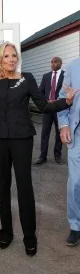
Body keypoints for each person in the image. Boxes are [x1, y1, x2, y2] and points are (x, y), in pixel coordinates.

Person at [0, 42, 74, 256]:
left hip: (22, 140)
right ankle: (5, 233)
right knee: (3, 188)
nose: (11, 59)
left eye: (14, 55)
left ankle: (29, 237)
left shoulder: (27, 79)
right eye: (6, 56)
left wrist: (66, 102)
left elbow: (43, 105)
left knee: (25, 188)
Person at [57, 57, 80, 246]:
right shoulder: (72, 67)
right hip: (77, 133)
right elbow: (61, 100)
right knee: (75, 182)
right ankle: (75, 225)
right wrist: (63, 125)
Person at [34, 57, 64, 165]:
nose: (53, 64)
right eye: (51, 62)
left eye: (55, 62)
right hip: (47, 108)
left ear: (61, 63)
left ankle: (58, 156)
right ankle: (42, 156)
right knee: (45, 132)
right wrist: (45, 101)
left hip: (59, 108)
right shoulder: (46, 76)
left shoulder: (65, 75)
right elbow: (39, 92)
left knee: (58, 132)